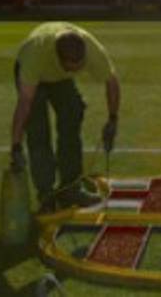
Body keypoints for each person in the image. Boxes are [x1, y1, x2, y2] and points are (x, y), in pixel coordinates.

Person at [9, 22, 121, 211]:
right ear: (59, 59)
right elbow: (25, 103)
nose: (76, 71)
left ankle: (70, 189)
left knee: (73, 115)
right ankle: (46, 194)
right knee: (38, 132)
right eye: (70, 68)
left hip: (60, 79)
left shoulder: (92, 49)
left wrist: (112, 119)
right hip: (34, 76)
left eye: (79, 67)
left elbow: (112, 82)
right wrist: (16, 146)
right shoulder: (35, 55)